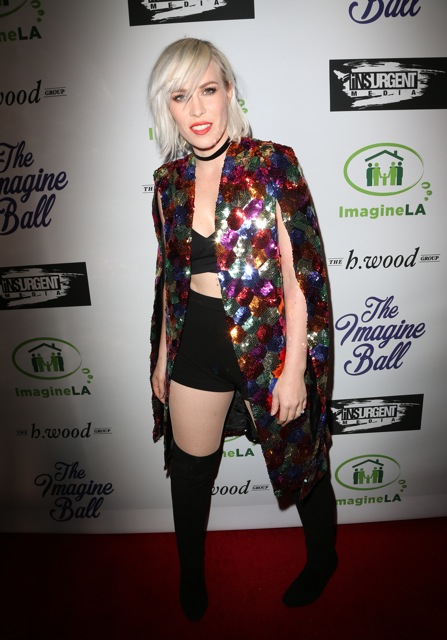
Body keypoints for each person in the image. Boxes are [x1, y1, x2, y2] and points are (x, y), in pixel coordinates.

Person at [148, 37, 337, 621]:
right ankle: (191, 574)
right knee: (190, 473)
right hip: (195, 345)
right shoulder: (168, 180)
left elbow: (301, 275)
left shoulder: (273, 163)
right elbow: (169, 277)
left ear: (229, 91)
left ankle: (324, 559)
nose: (197, 108)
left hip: (270, 344)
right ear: (167, 107)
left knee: (303, 466)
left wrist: (295, 367)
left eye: (208, 89)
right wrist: (163, 357)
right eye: (181, 96)